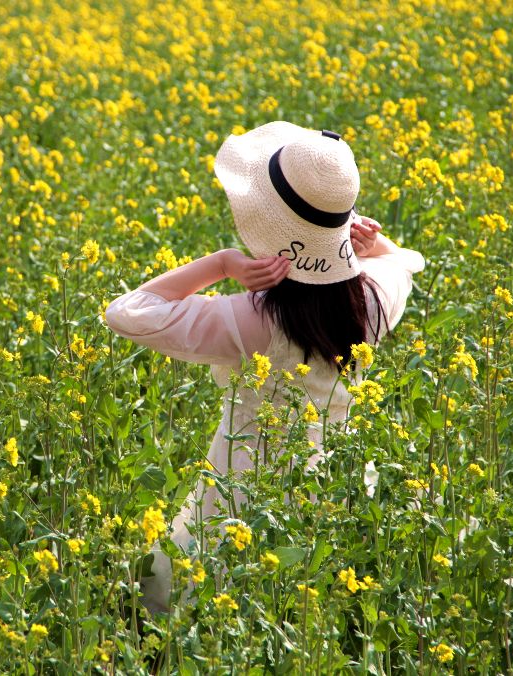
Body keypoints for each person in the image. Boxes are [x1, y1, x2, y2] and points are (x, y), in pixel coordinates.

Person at [104, 121, 425, 613]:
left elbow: (127, 311)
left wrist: (221, 263)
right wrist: (362, 241)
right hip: (336, 501)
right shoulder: (373, 303)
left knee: (172, 604)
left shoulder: (252, 320)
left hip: (238, 503)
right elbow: (404, 260)